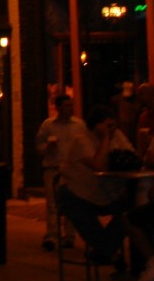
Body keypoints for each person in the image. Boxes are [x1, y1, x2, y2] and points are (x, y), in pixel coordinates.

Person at [56, 104, 138, 269]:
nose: (113, 129)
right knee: (74, 206)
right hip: (80, 192)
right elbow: (98, 165)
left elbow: (133, 158)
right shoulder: (82, 140)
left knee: (135, 208)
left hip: (109, 192)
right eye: (108, 126)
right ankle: (107, 250)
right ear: (96, 125)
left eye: (114, 125)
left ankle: (105, 251)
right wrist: (106, 138)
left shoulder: (119, 136)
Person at [35, 94, 83, 250]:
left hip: (71, 169)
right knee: (53, 203)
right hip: (53, 167)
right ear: (58, 108)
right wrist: (47, 148)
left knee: (71, 202)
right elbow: (39, 147)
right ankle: (52, 235)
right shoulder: (48, 125)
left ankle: (69, 236)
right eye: (66, 106)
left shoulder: (79, 125)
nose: (69, 109)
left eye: (71, 105)